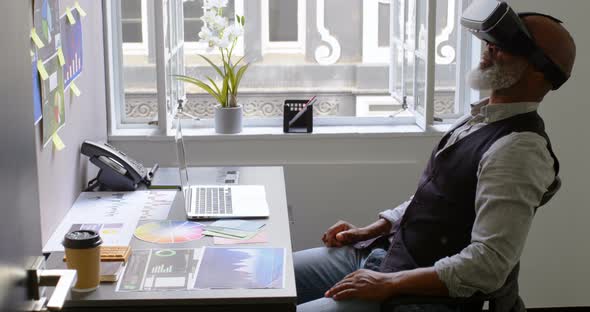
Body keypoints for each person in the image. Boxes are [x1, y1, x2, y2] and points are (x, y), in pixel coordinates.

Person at [294, 9, 576, 312]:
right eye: (492, 40)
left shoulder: (519, 151)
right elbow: (439, 197)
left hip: (415, 291)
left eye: (507, 45)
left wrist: (389, 284)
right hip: (383, 254)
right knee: (261, 284)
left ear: (538, 71)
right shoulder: (480, 118)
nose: (490, 47)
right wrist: (373, 229)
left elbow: (489, 263)